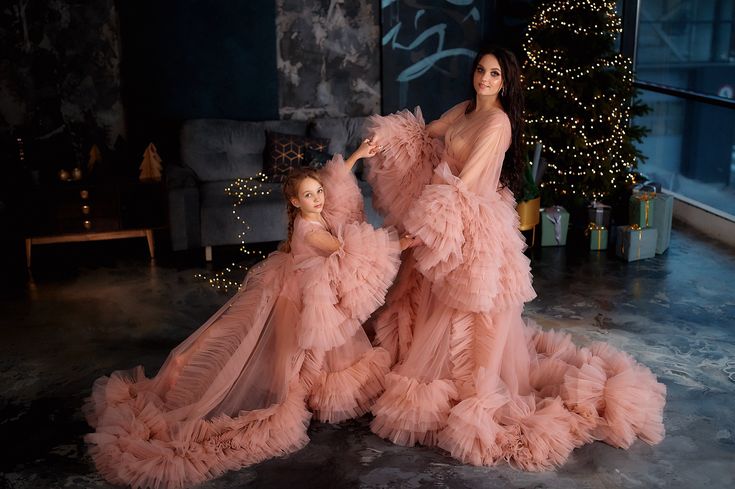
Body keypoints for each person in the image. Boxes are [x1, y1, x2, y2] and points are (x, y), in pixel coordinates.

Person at [363, 45, 667, 470]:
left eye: (494, 75)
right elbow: (428, 131)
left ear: (505, 83)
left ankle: (473, 386)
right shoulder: (466, 108)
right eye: (481, 71)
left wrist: (432, 224)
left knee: (472, 309)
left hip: (470, 216)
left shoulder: (498, 122)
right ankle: (447, 373)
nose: (485, 79)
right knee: (436, 301)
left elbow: (467, 181)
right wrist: (386, 139)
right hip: (450, 209)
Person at [83, 141, 412, 489]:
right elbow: (348, 249)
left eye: (318, 192)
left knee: (309, 347)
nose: (318, 198)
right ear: (294, 202)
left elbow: (333, 179)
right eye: (309, 195)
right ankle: (209, 376)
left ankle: (306, 385)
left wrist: (359, 154)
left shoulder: (316, 213)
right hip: (301, 295)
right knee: (283, 348)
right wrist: (400, 243)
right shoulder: (311, 230)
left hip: (302, 287)